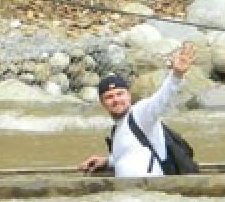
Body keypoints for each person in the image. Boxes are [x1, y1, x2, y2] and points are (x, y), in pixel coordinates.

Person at [78, 42, 196, 178]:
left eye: (120, 94)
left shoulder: (141, 113)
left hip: (149, 193)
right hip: (128, 194)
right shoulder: (117, 129)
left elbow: (161, 99)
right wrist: (107, 161)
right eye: (109, 97)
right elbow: (129, 154)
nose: (116, 100)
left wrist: (176, 76)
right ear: (102, 103)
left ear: (129, 95)